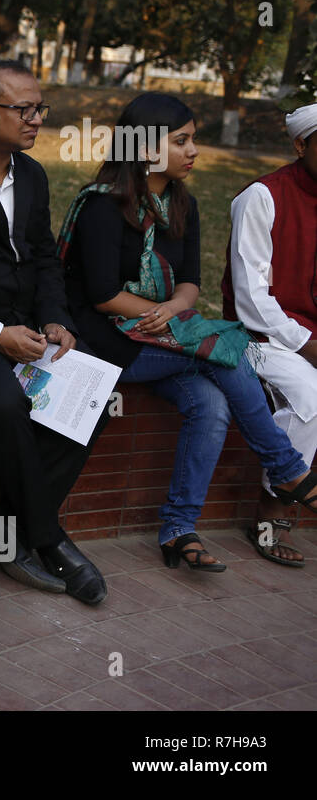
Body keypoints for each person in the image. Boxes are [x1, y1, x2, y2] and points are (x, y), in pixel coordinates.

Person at [57, 92, 312, 572]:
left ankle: (178, 529)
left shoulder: (183, 205)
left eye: (193, 140)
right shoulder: (103, 206)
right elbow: (103, 294)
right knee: (226, 353)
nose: (194, 151)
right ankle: (285, 467)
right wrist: (168, 317)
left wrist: (173, 308)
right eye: (182, 141)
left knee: (211, 405)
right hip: (108, 342)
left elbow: (192, 282)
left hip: (160, 337)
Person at [0, 61, 109, 604]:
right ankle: (45, 537)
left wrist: (56, 319)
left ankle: (3, 525)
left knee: (95, 399)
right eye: (24, 109)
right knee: (7, 404)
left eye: (41, 109)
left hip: (28, 331)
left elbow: (43, 260)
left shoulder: (31, 174)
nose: (36, 119)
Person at [223, 102, 317, 564]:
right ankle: (274, 504)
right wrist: (306, 343)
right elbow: (251, 297)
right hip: (258, 339)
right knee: (309, 394)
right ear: (302, 145)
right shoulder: (262, 196)